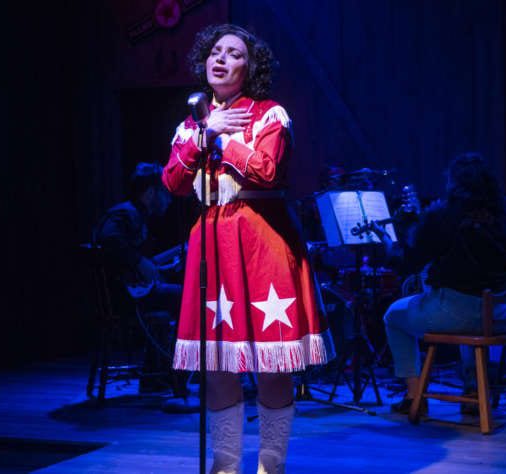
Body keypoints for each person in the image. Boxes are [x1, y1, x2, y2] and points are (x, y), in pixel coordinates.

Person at [162, 24, 333, 474]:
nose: (220, 59)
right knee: (218, 364)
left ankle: (270, 466)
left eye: (234, 53)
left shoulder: (268, 113)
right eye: (215, 51)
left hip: (261, 239)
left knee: (271, 365)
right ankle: (226, 465)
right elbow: (173, 182)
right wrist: (204, 135)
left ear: (250, 66)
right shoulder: (191, 125)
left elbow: (267, 171)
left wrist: (223, 139)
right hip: (212, 241)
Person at [380, 153, 506, 414]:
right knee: (471, 314)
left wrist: (392, 244)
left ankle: (414, 397)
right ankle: (474, 390)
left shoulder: (445, 216)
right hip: (504, 313)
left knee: (393, 316)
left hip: (461, 313)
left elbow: (410, 261)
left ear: (453, 184)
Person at [93, 162, 185, 396]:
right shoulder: (126, 213)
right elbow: (108, 239)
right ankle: (171, 373)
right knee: (189, 297)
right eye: (165, 193)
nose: (169, 200)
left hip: (131, 293)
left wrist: (162, 265)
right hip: (122, 299)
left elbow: (142, 267)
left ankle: (159, 373)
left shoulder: (137, 216)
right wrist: (140, 262)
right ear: (151, 192)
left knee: (179, 294)